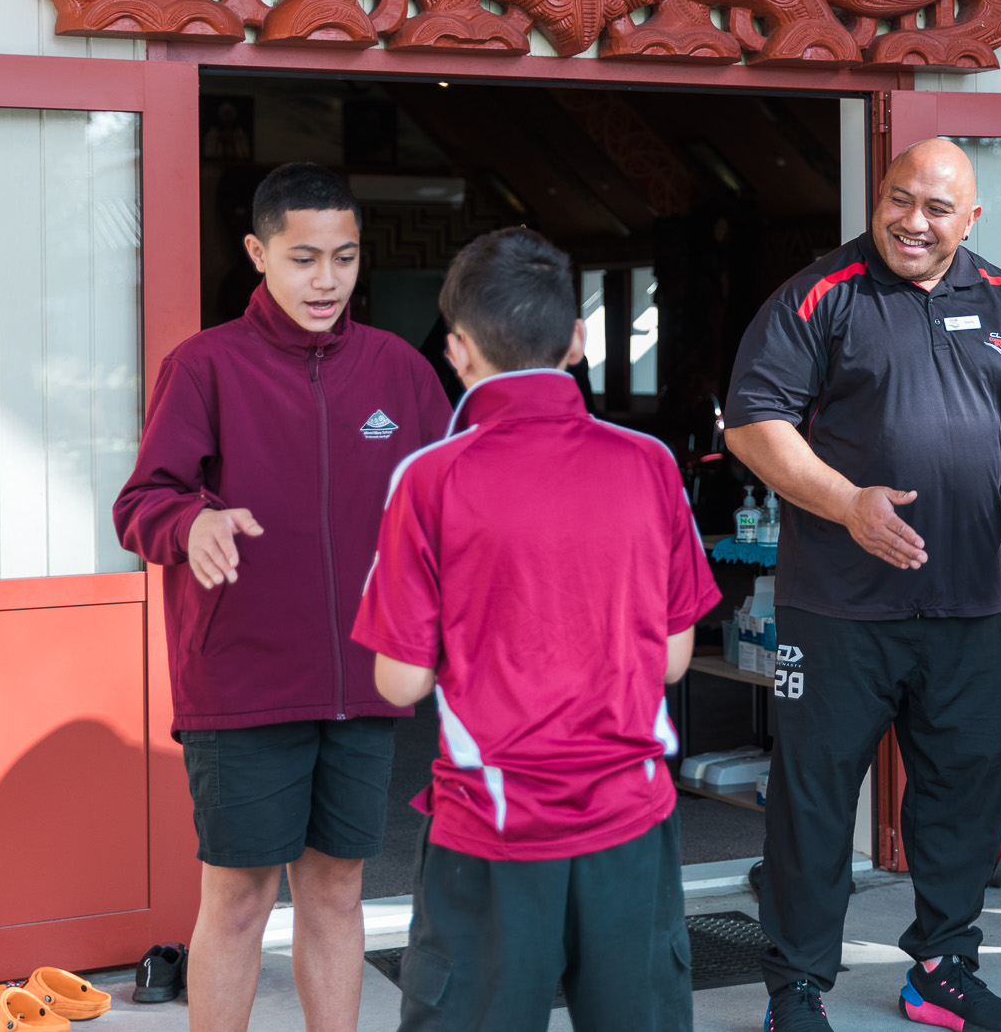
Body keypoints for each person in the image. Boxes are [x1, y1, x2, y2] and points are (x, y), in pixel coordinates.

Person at [723, 139, 1001, 1032]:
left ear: (971, 221)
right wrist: (846, 501)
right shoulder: (821, 295)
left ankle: (942, 965)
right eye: (899, 200)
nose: (913, 222)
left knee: (968, 787)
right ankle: (797, 988)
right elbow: (752, 424)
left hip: (970, 606)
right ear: (878, 197)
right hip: (838, 609)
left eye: (937, 209)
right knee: (814, 800)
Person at [113, 164, 452, 1032]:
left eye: (343, 257)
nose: (327, 280)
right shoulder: (203, 366)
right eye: (304, 258)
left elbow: (451, 505)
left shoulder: (401, 373)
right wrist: (192, 524)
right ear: (260, 252)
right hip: (242, 683)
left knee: (336, 892)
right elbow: (141, 501)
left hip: (364, 680)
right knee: (237, 901)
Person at [353, 228, 718, 1032]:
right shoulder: (649, 461)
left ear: (457, 350)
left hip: (491, 825)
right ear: (578, 339)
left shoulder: (429, 478)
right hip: (630, 817)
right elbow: (674, 658)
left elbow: (400, 680)